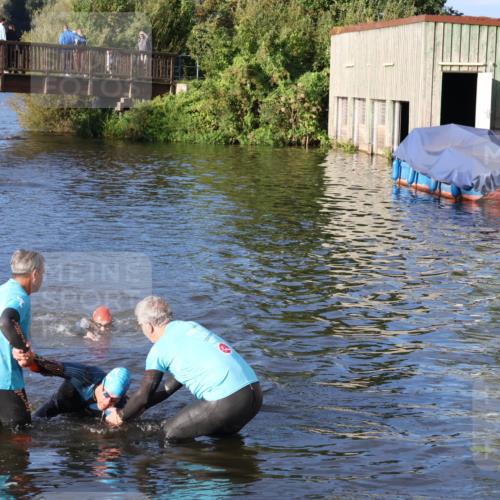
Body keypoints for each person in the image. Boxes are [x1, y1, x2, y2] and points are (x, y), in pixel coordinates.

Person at [106, 296, 263, 442]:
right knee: (220, 440)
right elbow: (169, 387)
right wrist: (140, 406)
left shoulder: (160, 349)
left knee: (168, 434)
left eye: (140, 325)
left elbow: (143, 395)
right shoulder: (191, 326)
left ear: (148, 326)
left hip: (226, 400)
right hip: (254, 394)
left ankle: (191, 470)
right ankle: (219, 470)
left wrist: (121, 416)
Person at [0, 250, 45, 428]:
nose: (42, 278)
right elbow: (6, 321)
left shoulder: (2, 290)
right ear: (34, 274)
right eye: (43, 273)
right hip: (7, 381)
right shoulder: (21, 297)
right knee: (21, 439)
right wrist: (23, 351)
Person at [17, 355, 130, 420]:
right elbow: (52, 366)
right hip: (61, 404)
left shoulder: (121, 405)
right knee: (33, 423)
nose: (107, 402)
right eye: (106, 395)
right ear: (103, 384)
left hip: (85, 417)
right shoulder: (86, 375)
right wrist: (29, 360)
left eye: (114, 400)